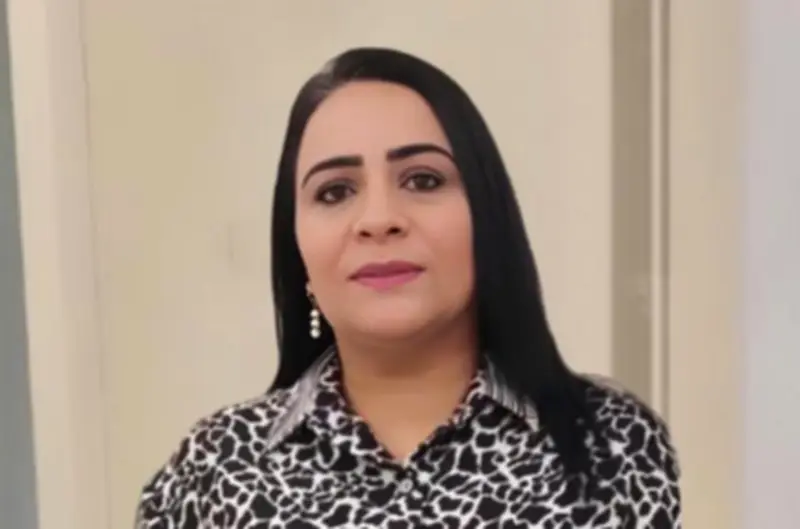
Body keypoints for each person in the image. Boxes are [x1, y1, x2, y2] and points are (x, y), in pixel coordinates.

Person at [136, 47, 681, 528]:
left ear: (487, 216)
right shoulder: (215, 468)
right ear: (296, 246)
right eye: (334, 192)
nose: (379, 219)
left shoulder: (613, 441)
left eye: (423, 180)